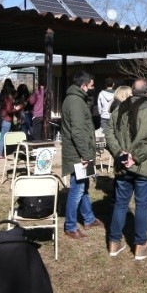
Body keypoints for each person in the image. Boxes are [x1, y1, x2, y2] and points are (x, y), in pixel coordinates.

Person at [105, 78, 147, 260]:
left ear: (132, 91)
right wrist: (131, 157)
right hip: (141, 166)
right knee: (141, 205)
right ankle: (140, 244)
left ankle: (114, 242)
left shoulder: (119, 107)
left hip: (127, 164)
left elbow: (109, 133)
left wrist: (122, 155)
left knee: (121, 204)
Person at [60, 71, 102, 239]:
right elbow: (77, 131)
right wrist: (85, 155)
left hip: (82, 151)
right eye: (91, 86)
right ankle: (70, 226)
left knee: (83, 186)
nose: (92, 89)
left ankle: (89, 218)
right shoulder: (76, 102)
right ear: (84, 86)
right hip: (79, 154)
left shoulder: (76, 99)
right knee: (77, 189)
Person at [0, 79, 21, 158]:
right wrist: (16, 108)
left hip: (3, 117)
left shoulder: (3, 95)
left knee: (2, 134)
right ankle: (0, 152)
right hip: (7, 119)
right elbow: (9, 110)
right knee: (4, 135)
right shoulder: (9, 100)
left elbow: (1, 104)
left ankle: (0, 149)